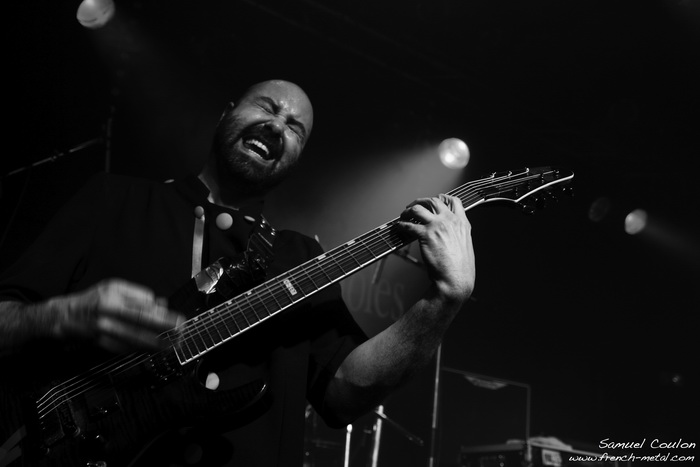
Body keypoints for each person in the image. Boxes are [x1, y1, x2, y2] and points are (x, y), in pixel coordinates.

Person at [0, 79, 475, 466]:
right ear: (227, 113)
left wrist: (444, 300)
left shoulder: (299, 257)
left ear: (297, 157)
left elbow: (346, 391)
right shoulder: (114, 201)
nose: (277, 126)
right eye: (267, 107)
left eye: (295, 128)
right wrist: (61, 316)